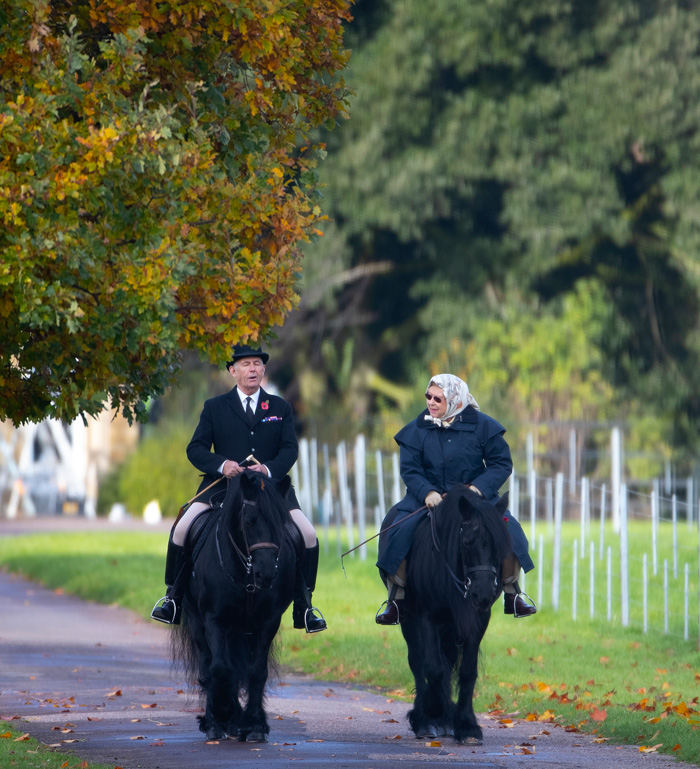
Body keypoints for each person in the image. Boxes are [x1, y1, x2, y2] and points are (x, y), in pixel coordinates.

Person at [151, 344, 327, 633]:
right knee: (181, 529)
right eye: (246, 364)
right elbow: (195, 449)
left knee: (308, 534)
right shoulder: (214, 407)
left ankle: (304, 606)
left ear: (264, 369)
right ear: (233, 371)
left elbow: (289, 449)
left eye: (257, 363)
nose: (253, 369)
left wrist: (267, 469)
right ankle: (173, 598)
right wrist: (222, 465)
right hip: (222, 488)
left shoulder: (280, 408)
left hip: (269, 491)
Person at [375, 373, 536, 625]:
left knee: (510, 532)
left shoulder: (483, 426)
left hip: (475, 501)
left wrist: (477, 489)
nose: (431, 402)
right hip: (426, 499)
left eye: (437, 398)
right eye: (428, 396)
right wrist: (428, 492)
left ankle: (512, 592)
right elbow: (410, 469)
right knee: (398, 531)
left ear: (454, 398)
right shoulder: (416, 429)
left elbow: (500, 463)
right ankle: (396, 597)